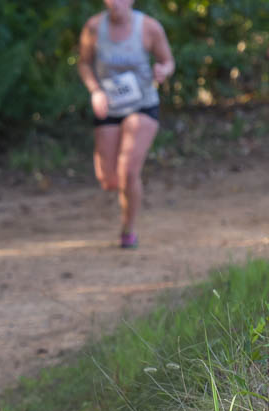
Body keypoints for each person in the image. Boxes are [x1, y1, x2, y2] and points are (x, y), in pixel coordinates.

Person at [77, 0, 173, 248]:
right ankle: (128, 192)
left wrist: (163, 70)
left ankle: (128, 229)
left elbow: (168, 61)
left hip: (143, 104)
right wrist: (95, 90)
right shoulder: (94, 27)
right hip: (109, 106)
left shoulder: (149, 27)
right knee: (109, 179)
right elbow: (84, 63)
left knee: (128, 171)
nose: (115, 3)